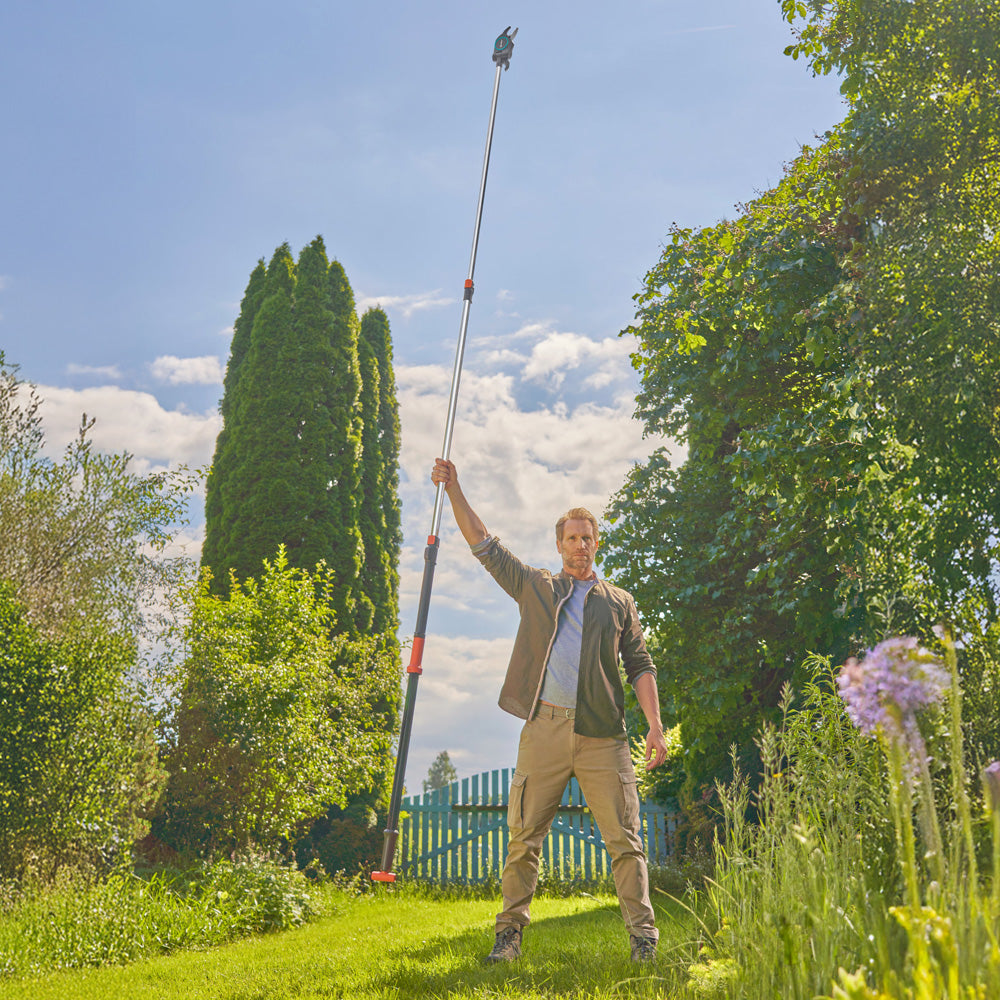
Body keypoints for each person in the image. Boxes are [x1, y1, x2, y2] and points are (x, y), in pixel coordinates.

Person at [431, 458, 668, 965]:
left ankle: (643, 941)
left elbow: (640, 664)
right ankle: (509, 937)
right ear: (559, 546)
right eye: (572, 538)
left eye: (588, 537)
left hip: (604, 736)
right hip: (544, 729)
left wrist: (655, 725)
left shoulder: (619, 602)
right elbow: (484, 545)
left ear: (596, 544)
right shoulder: (537, 587)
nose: (580, 545)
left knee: (626, 842)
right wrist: (454, 488)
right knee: (524, 841)